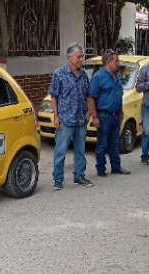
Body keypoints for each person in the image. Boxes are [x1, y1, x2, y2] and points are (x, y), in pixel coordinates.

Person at [49, 43, 96, 190]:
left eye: (82, 56)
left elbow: (89, 95)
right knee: (60, 151)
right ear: (70, 57)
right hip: (65, 120)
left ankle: (79, 176)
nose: (81, 59)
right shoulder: (59, 73)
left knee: (80, 151)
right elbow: (54, 97)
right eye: (79, 56)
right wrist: (56, 116)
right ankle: (58, 179)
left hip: (81, 119)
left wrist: (89, 112)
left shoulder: (83, 75)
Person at [89, 50, 131, 177]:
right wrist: (94, 117)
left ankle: (116, 167)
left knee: (115, 143)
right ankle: (101, 169)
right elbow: (91, 98)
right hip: (104, 115)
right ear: (108, 62)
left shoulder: (117, 76)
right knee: (102, 144)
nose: (118, 63)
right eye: (116, 61)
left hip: (116, 115)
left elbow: (119, 95)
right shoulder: (98, 77)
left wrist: (121, 111)